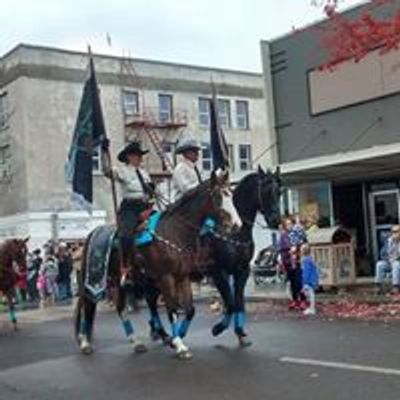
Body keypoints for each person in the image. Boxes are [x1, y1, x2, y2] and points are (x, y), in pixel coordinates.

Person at [102, 140, 155, 282]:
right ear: (129, 157)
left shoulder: (144, 173)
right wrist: (103, 153)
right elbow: (106, 171)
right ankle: (125, 266)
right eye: (137, 155)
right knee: (126, 235)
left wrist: (149, 208)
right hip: (130, 208)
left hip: (145, 207)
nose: (140, 158)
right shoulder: (122, 171)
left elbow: (151, 193)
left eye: (140, 155)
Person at [375, 225, 400, 294]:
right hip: (389, 261)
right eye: (393, 232)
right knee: (379, 264)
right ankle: (379, 286)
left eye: (396, 232)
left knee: (396, 264)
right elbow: (382, 253)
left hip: (398, 262)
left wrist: (396, 259)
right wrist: (387, 259)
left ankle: (396, 286)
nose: (394, 234)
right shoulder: (388, 241)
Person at [301, 243, 319, 315]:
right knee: (311, 294)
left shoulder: (305, 260)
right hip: (312, 278)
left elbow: (306, 272)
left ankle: (312, 309)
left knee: (310, 294)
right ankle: (312, 308)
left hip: (309, 280)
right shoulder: (310, 258)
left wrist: (304, 281)